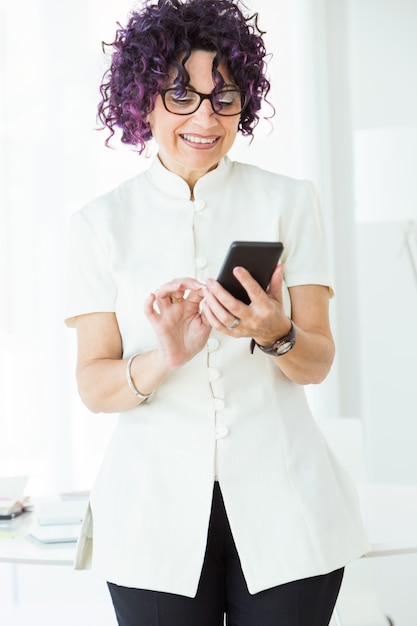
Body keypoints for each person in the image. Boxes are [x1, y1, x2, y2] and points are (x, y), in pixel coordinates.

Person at [65, 0, 370, 624]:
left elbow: (316, 363)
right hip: (151, 521)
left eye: (224, 97)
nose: (206, 117)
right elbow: (95, 386)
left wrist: (276, 333)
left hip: (288, 511)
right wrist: (165, 359)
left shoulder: (290, 200)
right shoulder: (98, 224)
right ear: (141, 98)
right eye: (182, 95)